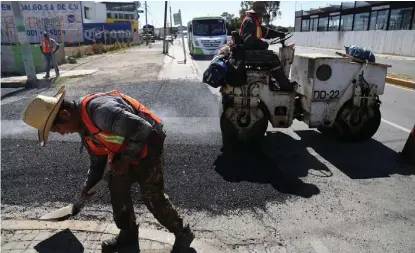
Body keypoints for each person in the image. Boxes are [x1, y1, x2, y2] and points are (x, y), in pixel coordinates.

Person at [23, 86, 194, 253]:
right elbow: (97, 162)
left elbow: (143, 129)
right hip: (126, 147)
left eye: (57, 129)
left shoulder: (101, 112)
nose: (60, 134)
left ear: (65, 114)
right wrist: (88, 188)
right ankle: (128, 234)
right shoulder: (83, 127)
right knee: (117, 187)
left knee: (151, 195)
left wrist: (126, 160)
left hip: (149, 143)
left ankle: (182, 233)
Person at [239, 1, 297, 91]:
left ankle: (271, 81)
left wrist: (279, 34)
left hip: (249, 53)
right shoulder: (250, 21)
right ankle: (285, 86)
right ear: (258, 12)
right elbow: (248, 40)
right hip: (248, 54)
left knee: (269, 56)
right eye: (262, 13)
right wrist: (263, 44)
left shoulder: (254, 21)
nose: (262, 15)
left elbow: (267, 32)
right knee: (273, 58)